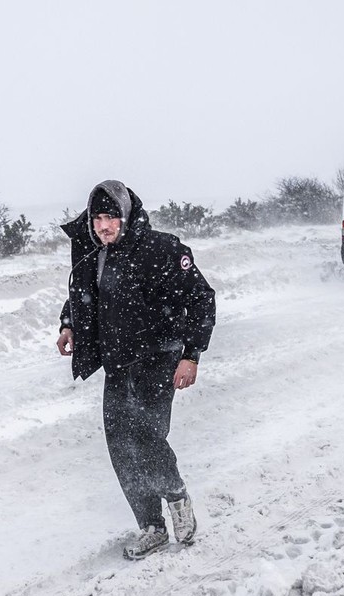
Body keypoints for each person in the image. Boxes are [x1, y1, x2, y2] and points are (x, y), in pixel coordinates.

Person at [57, 179, 216, 559]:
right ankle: (152, 526)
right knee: (121, 448)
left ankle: (176, 497)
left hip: (158, 358)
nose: (102, 226)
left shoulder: (162, 250)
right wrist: (69, 324)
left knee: (145, 438)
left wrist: (191, 355)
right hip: (117, 363)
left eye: (110, 217)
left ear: (127, 215)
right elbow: (82, 295)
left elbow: (201, 299)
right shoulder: (96, 254)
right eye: (96, 219)